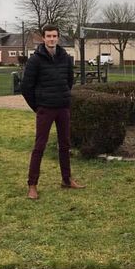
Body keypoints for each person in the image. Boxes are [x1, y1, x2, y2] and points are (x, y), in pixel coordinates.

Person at [21, 24, 85, 200]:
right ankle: (32, 185)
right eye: (48, 36)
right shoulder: (35, 60)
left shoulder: (65, 57)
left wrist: (63, 96)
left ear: (58, 37)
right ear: (43, 38)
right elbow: (26, 87)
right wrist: (38, 107)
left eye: (54, 36)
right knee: (39, 147)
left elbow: (69, 81)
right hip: (45, 109)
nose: (51, 39)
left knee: (65, 145)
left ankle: (66, 180)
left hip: (63, 107)